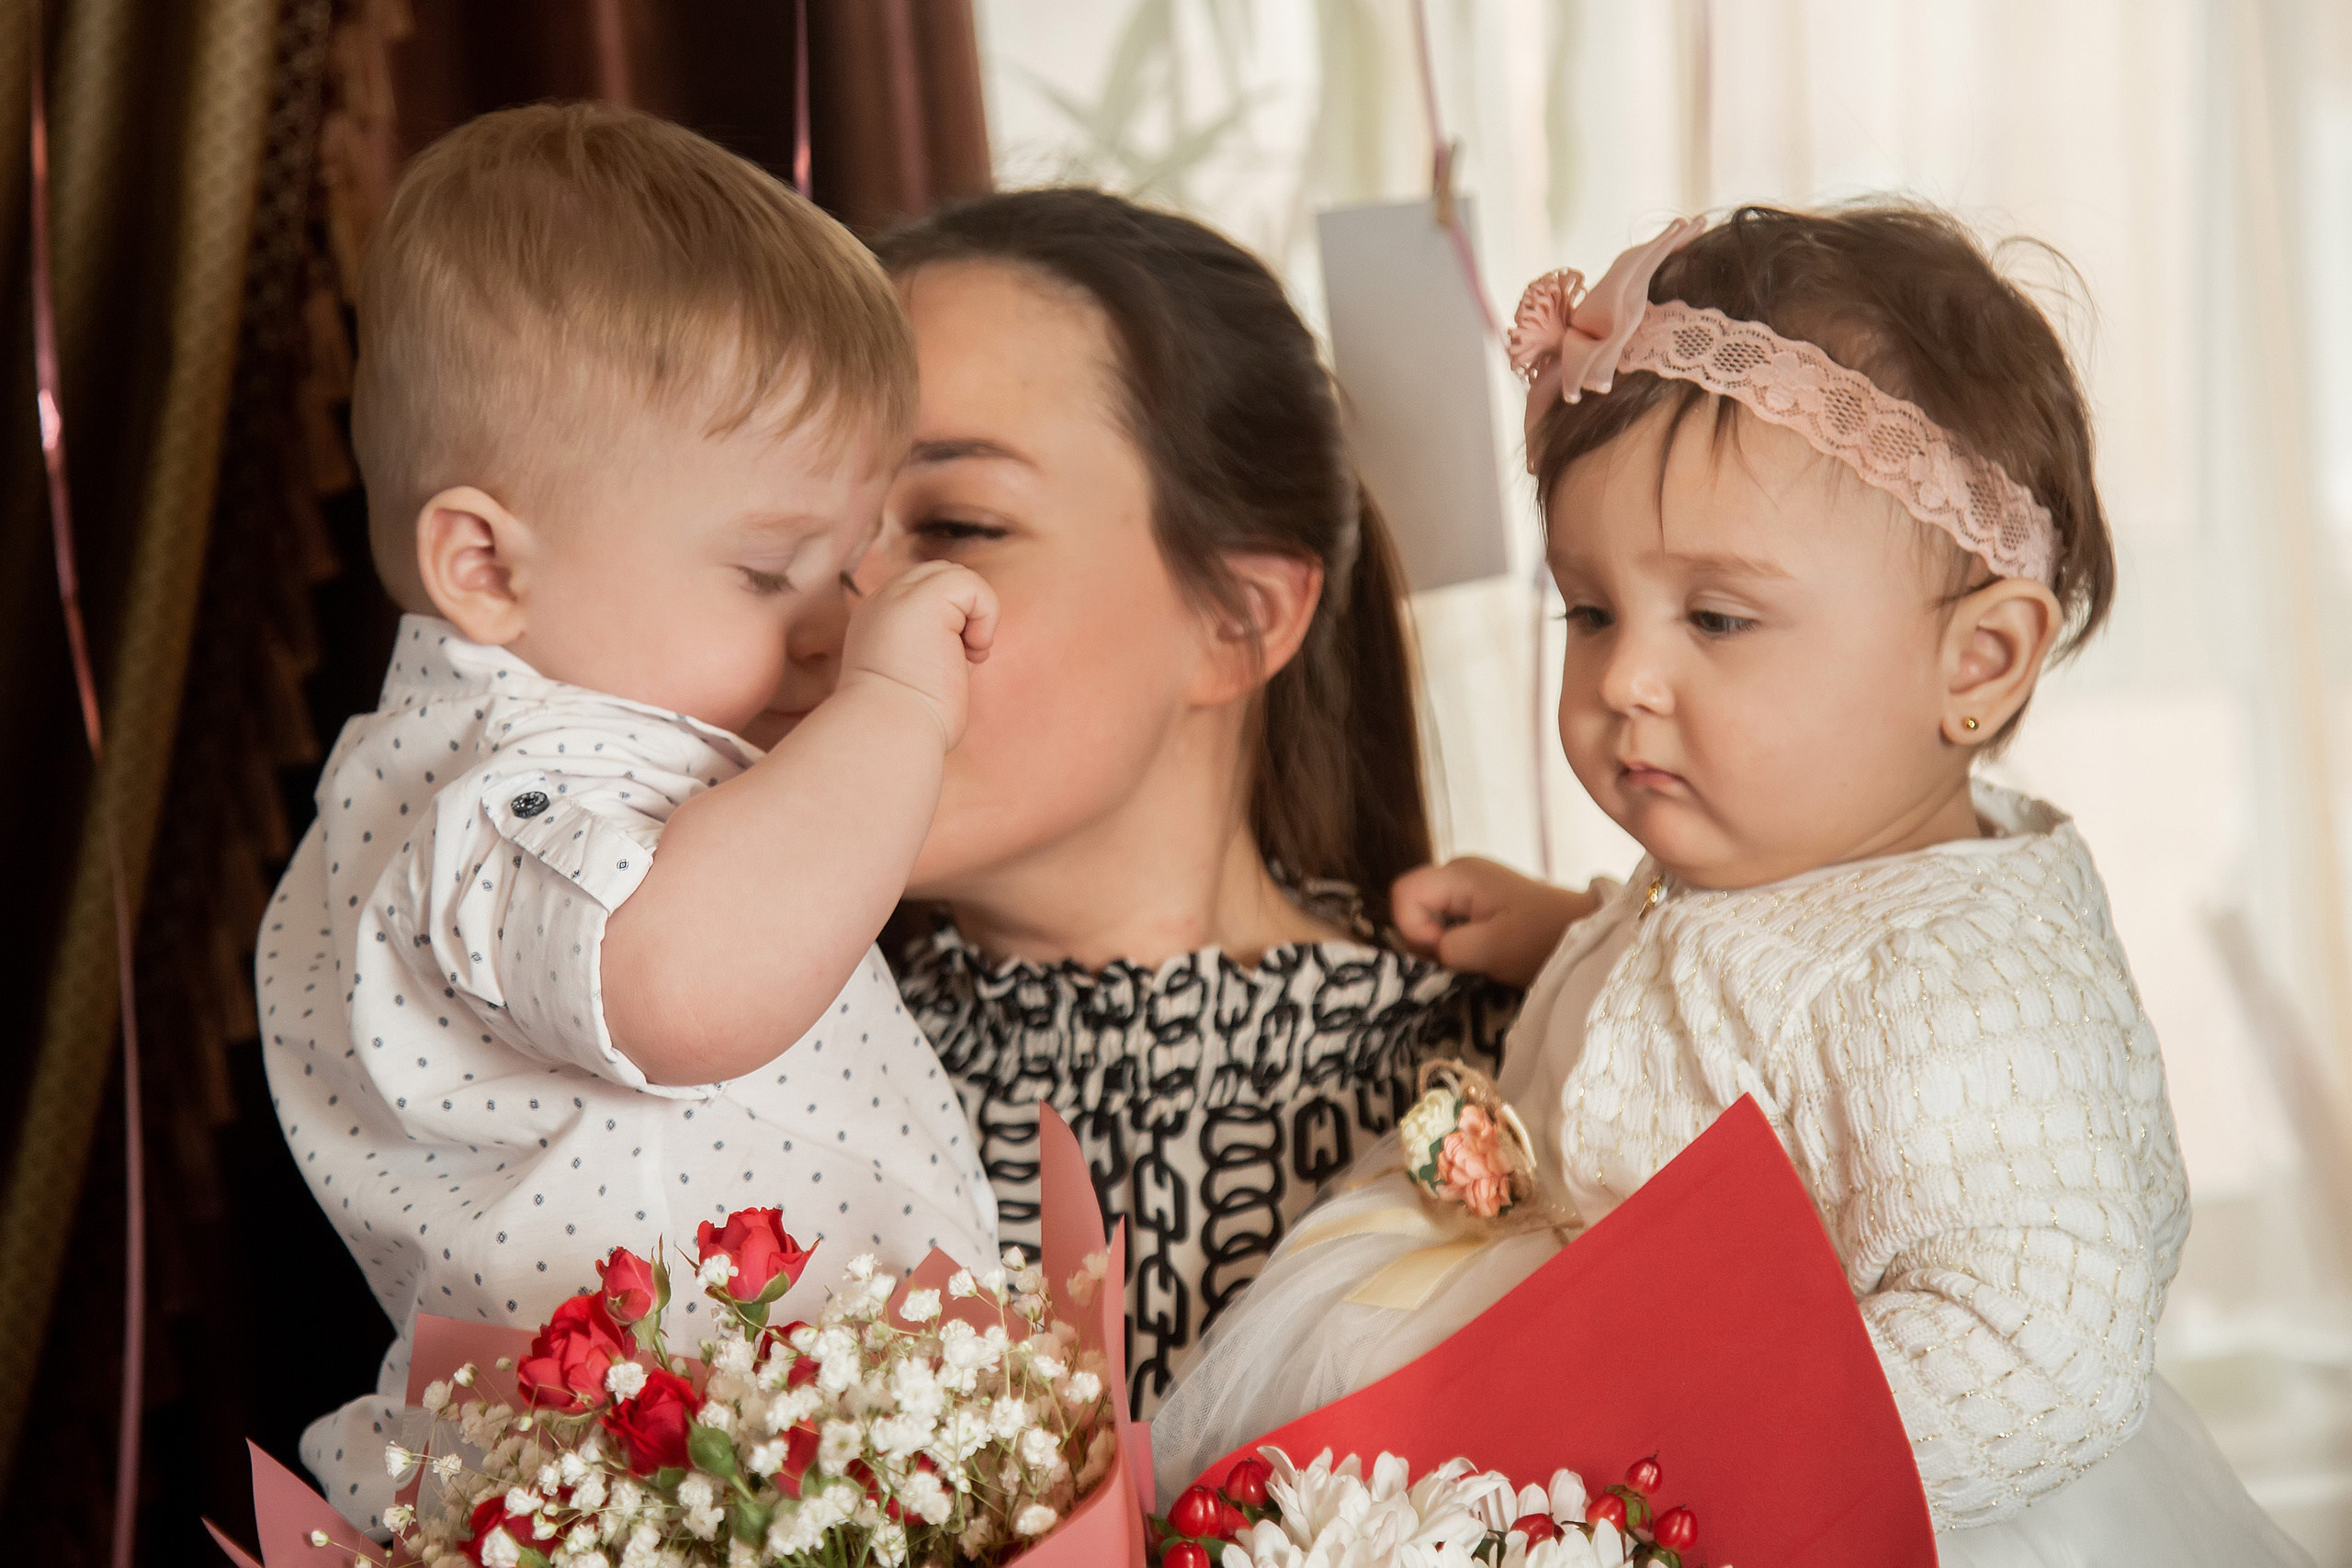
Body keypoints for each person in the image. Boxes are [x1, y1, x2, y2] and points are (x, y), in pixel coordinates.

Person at [1153, 205, 2309, 1566]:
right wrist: (1562, 930)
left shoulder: (1971, 989)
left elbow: (2034, 1340)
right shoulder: (1787, 834)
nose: (1628, 677)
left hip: (1798, 1500)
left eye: (1716, 617)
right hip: (1555, 1374)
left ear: (1978, 663)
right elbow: (1722, 997)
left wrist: (1699, 1479)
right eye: (1590, 612)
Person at [256, 104, 997, 1532]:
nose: (834, 629)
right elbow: (684, 984)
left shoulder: (593, 761)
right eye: (767, 570)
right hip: (669, 1501)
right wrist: (899, 710)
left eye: (845, 572)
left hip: (764, 1488)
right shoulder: (498, 800)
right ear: (483, 564)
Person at [865, 190, 1519, 1418]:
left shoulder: (1521, 1081)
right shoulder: (734, 1088)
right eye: (795, 537)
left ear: (1240, 618)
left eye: (954, 524)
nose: (848, 609)